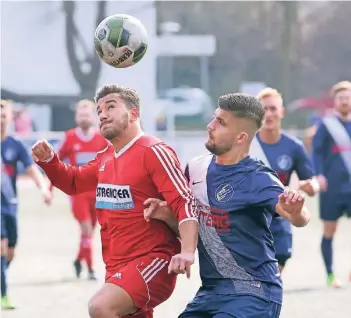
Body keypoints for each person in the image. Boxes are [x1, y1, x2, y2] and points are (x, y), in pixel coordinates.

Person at [31, 84, 199, 318]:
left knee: (101, 307)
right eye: (99, 110)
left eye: (111, 106)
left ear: (133, 114)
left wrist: (188, 251)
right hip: (116, 266)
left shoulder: (153, 151)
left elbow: (185, 202)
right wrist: (50, 160)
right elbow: (73, 182)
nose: (103, 114)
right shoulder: (106, 158)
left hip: (154, 260)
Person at [145, 93, 310, 318]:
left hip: (255, 293)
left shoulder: (258, 177)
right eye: (214, 118)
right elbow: (194, 225)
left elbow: (301, 218)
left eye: (220, 122)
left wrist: (296, 211)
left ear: (241, 136)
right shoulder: (195, 168)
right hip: (211, 291)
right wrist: (166, 215)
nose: (210, 125)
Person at [249, 87, 320, 273]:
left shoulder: (293, 146)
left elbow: (311, 181)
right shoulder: (246, 144)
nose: (269, 114)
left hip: (280, 219)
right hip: (250, 221)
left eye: (273, 109)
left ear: (281, 112)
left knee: (273, 277)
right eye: (264, 109)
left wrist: (311, 186)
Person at [1, 100, 52, 310]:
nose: (1, 118)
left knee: (10, 250)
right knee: (2, 247)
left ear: (11, 118)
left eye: (4, 115)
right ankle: (4, 295)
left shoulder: (15, 145)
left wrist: (43, 188)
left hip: (9, 205)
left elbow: (31, 169)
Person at [54, 99, 109, 280]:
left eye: (87, 115)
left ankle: (78, 260)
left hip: (97, 192)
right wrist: (51, 187)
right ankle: (91, 269)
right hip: (77, 192)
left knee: (90, 231)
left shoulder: (102, 139)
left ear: (93, 117)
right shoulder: (69, 137)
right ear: (76, 117)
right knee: (86, 228)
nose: (84, 118)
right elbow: (54, 163)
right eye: (81, 115)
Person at [311, 80, 351, 287]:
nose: (345, 101)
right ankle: (330, 275)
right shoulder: (326, 125)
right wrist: (318, 174)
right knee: (329, 229)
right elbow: (316, 152)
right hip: (332, 187)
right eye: (341, 97)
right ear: (335, 101)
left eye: (348, 97)